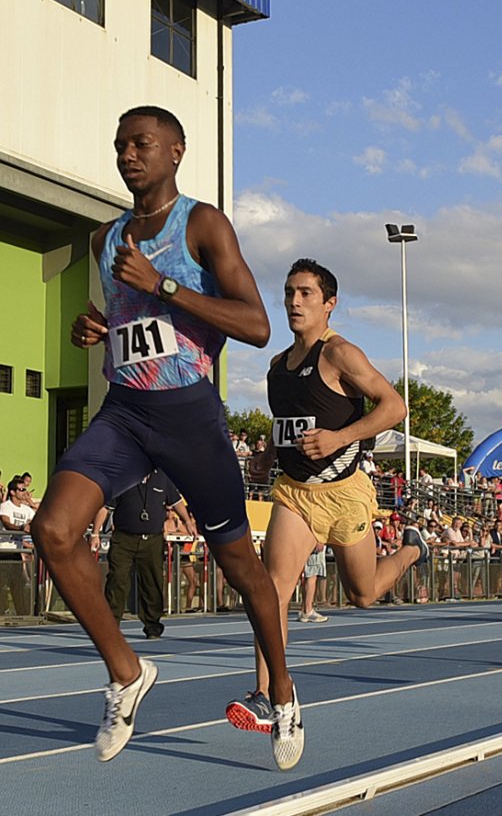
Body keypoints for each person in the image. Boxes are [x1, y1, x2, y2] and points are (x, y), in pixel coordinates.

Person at [30, 105, 300, 768]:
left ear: (175, 151)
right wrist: (93, 328)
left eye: (141, 144)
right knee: (52, 531)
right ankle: (126, 672)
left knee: (242, 567)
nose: (127, 155)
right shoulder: (106, 238)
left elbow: (257, 325)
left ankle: (286, 695)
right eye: (120, 144)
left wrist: (166, 283)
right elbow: (124, 316)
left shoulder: (201, 224)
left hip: (188, 415)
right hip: (125, 412)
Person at [225, 258, 424, 736]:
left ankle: (415, 548)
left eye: (306, 293)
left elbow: (394, 407)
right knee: (271, 589)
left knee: (363, 593)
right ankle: (272, 694)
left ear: (329, 304)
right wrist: (268, 453)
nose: (294, 301)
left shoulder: (340, 355)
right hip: (294, 493)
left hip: (344, 493)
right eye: (290, 292)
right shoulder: (277, 367)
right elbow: (290, 423)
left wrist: (340, 437)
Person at [93, 470, 195, 640]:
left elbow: (176, 501)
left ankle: (152, 626)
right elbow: (105, 507)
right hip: (124, 539)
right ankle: (110, 626)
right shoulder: (123, 476)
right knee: (117, 579)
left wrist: (187, 521)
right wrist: (95, 532)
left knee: (152, 583)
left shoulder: (163, 477)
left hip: (152, 540)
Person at [0, 476, 38, 616]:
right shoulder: (6, 506)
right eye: (21, 490)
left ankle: (22, 613)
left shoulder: (26, 509)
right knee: (2, 585)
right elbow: (6, 523)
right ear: (12, 492)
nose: (23, 492)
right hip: (3, 549)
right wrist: (21, 527)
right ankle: (2, 612)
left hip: (17, 551)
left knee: (19, 584)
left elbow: (36, 520)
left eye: (24, 489)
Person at [298, 545, 330, 623]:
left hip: (306, 544)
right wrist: (319, 541)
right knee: (312, 575)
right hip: (313, 543)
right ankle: (308, 610)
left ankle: (304, 609)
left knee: (309, 575)